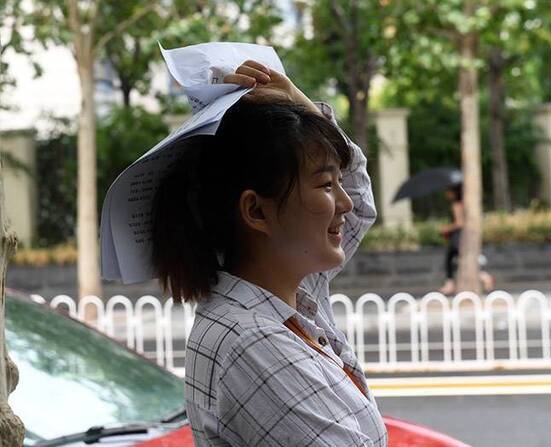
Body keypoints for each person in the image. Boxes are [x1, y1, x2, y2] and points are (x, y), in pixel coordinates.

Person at [150, 60, 387, 446]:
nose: (344, 203)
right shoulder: (253, 344)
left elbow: (358, 203)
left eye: (338, 184)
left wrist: (299, 103)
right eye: (326, 186)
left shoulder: (291, 295)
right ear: (256, 211)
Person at [438, 184, 494, 296]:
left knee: (451, 261)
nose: (446, 194)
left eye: (448, 191)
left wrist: (446, 229)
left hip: (457, 238)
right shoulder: (466, 204)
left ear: (453, 193)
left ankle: (451, 284)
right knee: (460, 260)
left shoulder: (456, 205)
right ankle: (484, 277)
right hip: (464, 237)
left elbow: (459, 223)